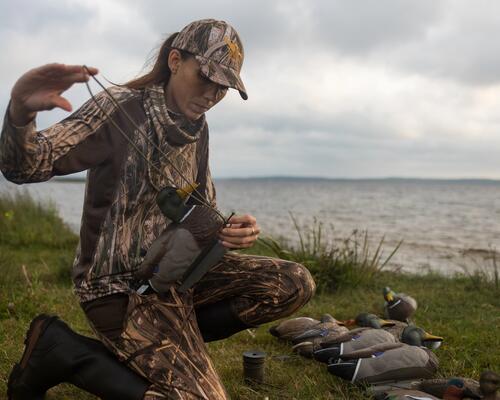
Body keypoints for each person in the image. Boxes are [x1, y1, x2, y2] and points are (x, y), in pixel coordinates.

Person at [1, 19, 316, 399]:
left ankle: (167, 342)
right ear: (174, 60)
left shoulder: (198, 129)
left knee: (292, 283)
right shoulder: (121, 109)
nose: (213, 93)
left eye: (224, 86)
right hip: (116, 287)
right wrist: (20, 114)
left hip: (175, 279)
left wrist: (227, 232)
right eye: (206, 78)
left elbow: (199, 210)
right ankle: (63, 352)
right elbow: (25, 166)